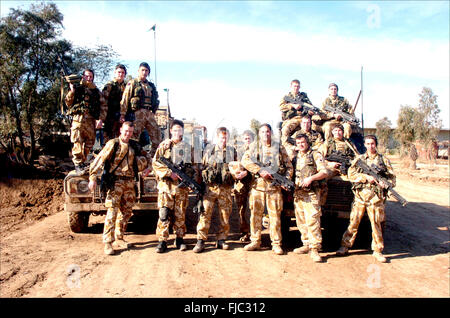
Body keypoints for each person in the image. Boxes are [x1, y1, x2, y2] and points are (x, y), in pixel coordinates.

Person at [88, 121, 151, 255]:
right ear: (121, 130)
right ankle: (108, 243)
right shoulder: (113, 144)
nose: (128, 134)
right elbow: (99, 159)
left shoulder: (134, 145)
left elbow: (148, 157)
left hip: (129, 182)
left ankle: (119, 237)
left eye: (130, 132)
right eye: (126, 131)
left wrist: (148, 168)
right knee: (112, 211)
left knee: (126, 211)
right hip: (115, 182)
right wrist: (92, 177)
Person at [335, 135, 396, 263]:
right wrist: (365, 177)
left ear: (376, 144)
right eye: (367, 144)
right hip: (360, 197)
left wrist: (386, 184)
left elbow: (392, 178)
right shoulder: (360, 159)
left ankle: (378, 250)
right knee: (353, 223)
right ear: (365, 145)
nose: (370, 146)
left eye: (372, 143)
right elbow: (351, 174)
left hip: (375, 198)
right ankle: (345, 246)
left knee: (376, 225)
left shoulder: (383, 160)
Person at [241, 124, 293, 255]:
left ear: (271, 133)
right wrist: (259, 170)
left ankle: (276, 244)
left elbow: (289, 167)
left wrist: (284, 180)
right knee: (255, 216)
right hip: (257, 187)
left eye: (268, 132)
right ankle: (255, 241)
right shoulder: (254, 147)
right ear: (259, 134)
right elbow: (244, 161)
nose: (266, 134)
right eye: (263, 132)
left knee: (275, 217)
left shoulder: (279, 147)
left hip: (274, 188)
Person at [152, 120, 197, 253]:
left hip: (181, 188)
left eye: (180, 130)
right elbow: (155, 163)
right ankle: (162, 241)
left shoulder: (188, 148)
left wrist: (191, 180)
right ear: (171, 131)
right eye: (175, 130)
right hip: (166, 186)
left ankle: (180, 239)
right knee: (164, 213)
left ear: (183, 131)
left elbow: (194, 166)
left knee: (180, 214)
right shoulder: (164, 146)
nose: (177, 132)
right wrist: (169, 173)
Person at [193, 127, 241, 253]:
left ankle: (221, 239)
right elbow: (201, 167)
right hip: (210, 189)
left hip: (225, 189)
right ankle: (201, 240)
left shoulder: (232, 152)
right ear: (217, 137)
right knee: (205, 214)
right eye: (221, 137)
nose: (223, 140)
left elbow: (237, 169)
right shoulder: (209, 150)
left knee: (225, 215)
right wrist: (199, 188)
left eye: (225, 138)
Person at [292, 134, 328, 262]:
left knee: (312, 220)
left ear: (307, 143)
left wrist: (311, 178)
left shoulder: (315, 154)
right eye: (298, 142)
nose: (301, 144)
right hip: (298, 193)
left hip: (311, 193)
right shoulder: (296, 157)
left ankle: (315, 249)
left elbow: (324, 172)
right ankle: (306, 244)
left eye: (303, 142)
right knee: (301, 221)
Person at [65, 68, 107, 174]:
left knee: (90, 143)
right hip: (78, 120)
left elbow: (103, 106)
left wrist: (100, 119)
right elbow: (68, 103)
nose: (89, 78)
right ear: (83, 76)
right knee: (77, 142)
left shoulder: (96, 91)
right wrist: (72, 91)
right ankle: (78, 164)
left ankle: (83, 162)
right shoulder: (77, 88)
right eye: (87, 76)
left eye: (91, 76)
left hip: (90, 121)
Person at [120, 62, 161, 158]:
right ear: (138, 71)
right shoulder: (133, 83)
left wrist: (153, 111)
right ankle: (131, 157)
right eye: (142, 70)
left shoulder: (151, 85)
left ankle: (152, 159)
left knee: (157, 134)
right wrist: (122, 114)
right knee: (133, 136)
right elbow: (125, 99)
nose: (144, 72)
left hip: (149, 113)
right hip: (137, 114)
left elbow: (155, 100)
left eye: (146, 70)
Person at [233, 130, 254, 242]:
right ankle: (244, 232)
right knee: (241, 210)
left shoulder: (257, 151)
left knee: (254, 209)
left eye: (249, 138)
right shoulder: (238, 152)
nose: (247, 140)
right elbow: (233, 165)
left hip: (253, 183)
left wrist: (248, 173)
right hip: (240, 185)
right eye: (245, 138)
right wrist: (236, 174)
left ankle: (254, 233)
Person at [279, 79, 315, 147]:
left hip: (303, 118)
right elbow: (281, 107)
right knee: (285, 129)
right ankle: (285, 146)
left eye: (298, 86)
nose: (296, 88)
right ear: (291, 86)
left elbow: (310, 106)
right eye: (294, 86)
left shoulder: (304, 97)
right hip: (292, 119)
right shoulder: (287, 97)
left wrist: (311, 111)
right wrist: (292, 105)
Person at [102, 64, 127, 144]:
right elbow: (103, 102)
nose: (121, 74)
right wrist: (102, 118)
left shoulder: (127, 87)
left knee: (121, 141)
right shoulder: (109, 86)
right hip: (110, 117)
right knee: (108, 142)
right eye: (119, 72)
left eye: (123, 73)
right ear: (115, 73)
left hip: (122, 118)